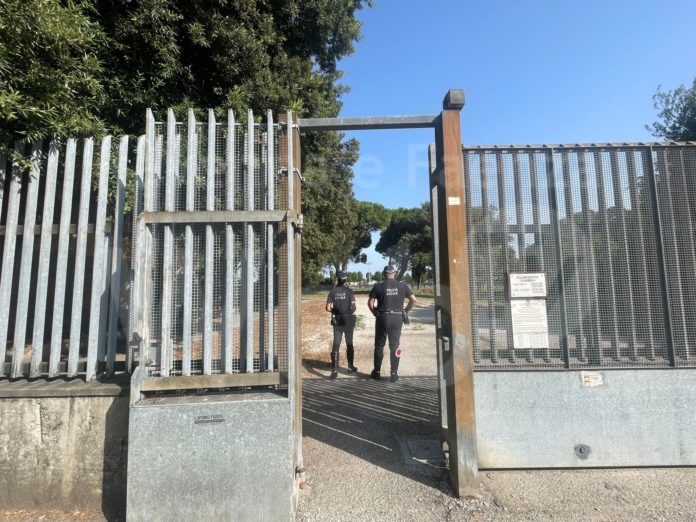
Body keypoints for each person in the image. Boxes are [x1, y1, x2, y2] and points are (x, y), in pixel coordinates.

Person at [367, 265, 417, 382]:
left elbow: (370, 303)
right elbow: (414, 300)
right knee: (395, 346)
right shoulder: (403, 286)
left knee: (379, 346)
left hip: (383, 317)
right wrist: (406, 310)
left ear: (384, 274)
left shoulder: (378, 286)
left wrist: (375, 313)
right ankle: (394, 373)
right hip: (397, 318)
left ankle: (377, 372)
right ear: (394, 273)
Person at [325, 271, 358, 379]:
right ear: (345, 279)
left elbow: (327, 308)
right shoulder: (349, 291)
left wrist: (335, 312)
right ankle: (350, 367)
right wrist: (349, 312)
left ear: (338, 279)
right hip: (348, 320)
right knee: (349, 343)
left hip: (337, 321)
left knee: (336, 344)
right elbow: (354, 307)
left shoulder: (332, 291)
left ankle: (334, 370)